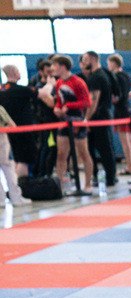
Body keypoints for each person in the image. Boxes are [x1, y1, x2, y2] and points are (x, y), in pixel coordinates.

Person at [38, 54, 93, 195]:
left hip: (77, 120)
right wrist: (57, 107)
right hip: (64, 121)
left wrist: (69, 105)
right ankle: (61, 186)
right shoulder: (59, 83)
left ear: (62, 66)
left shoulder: (78, 82)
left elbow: (87, 102)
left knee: (83, 153)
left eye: (55, 65)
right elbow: (59, 101)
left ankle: (88, 184)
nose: (52, 68)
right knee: (61, 154)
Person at [79, 51, 117, 190]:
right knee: (103, 147)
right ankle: (109, 176)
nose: (83, 63)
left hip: (99, 118)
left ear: (92, 59)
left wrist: (86, 119)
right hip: (103, 115)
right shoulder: (104, 74)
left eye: (85, 60)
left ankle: (110, 177)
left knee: (104, 148)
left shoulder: (97, 77)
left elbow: (93, 101)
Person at [107, 54, 131, 176]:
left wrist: (118, 99)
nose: (108, 66)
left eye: (109, 63)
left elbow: (116, 97)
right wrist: (127, 97)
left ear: (114, 64)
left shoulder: (115, 77)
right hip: (128, 110)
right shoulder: (127, 75)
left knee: (125, 142)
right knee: (129, 141)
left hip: (120, 112)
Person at [0, 64, 38, 178]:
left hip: (8, 130)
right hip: (22, 129)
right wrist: (50, 84)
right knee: (23, 160)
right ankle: (22, 187)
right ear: (16, 73)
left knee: (16, 159)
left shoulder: (2, 90)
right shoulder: (21, 90)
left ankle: (16, 189)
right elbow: (42, 94)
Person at [0, 103, 31, 206]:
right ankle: (16, 198)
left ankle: (1, 200)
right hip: (1, 140)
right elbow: (12, 125)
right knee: (8, 168)